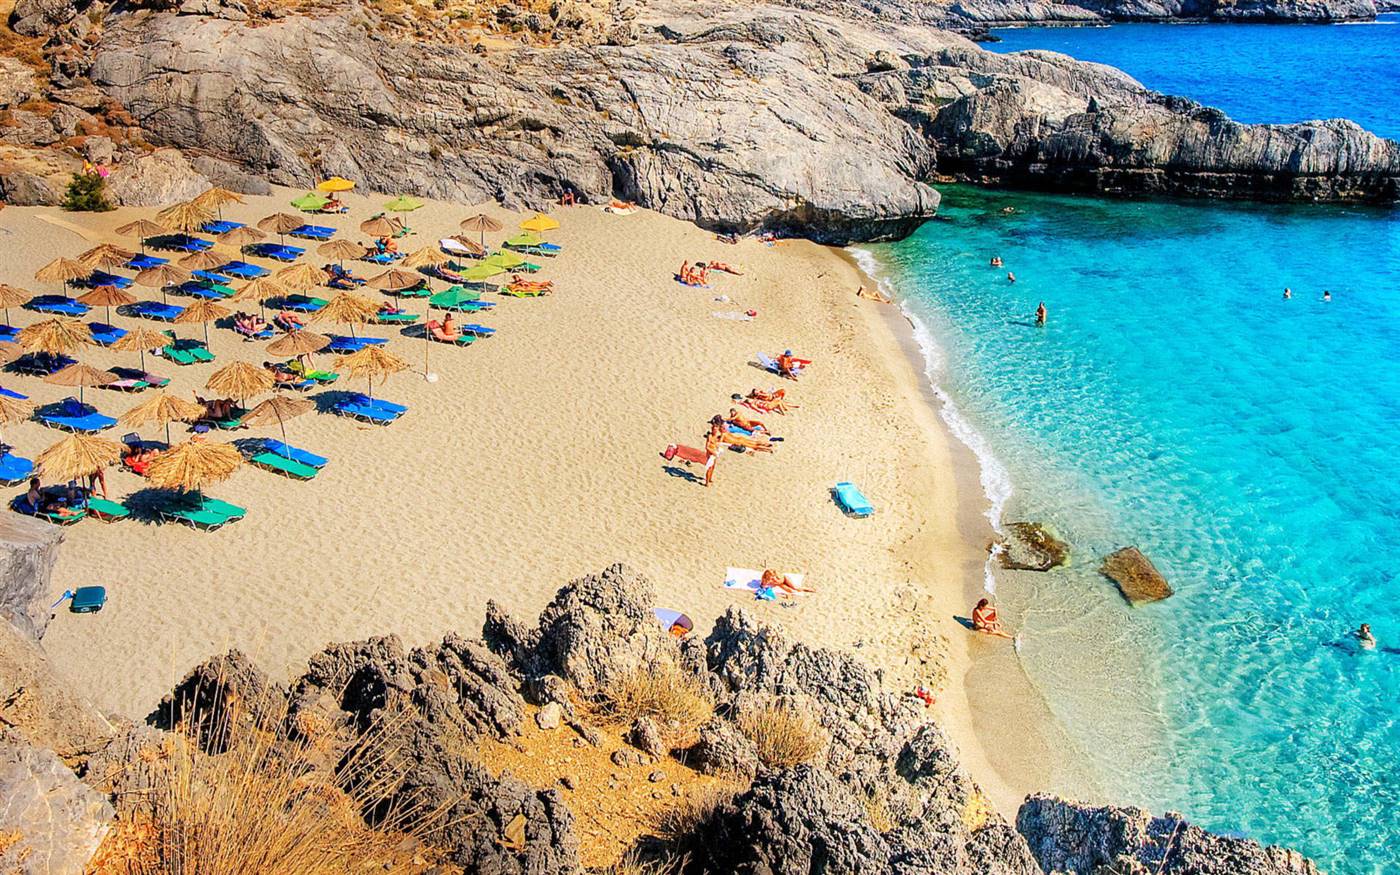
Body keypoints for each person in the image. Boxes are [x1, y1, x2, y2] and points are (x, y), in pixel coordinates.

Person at [704, 423, 721, 488]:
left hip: (715, 453)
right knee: (709, 468)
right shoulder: (710, 436)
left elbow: (716, 444)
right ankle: (707, 482)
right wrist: (712, 452)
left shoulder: (717, 436)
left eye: (716, 430)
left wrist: (717, 449)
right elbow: (707, 447)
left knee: (713, 467)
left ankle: (710, 478)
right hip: (710, 454)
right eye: (714, 429)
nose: (715, 431)